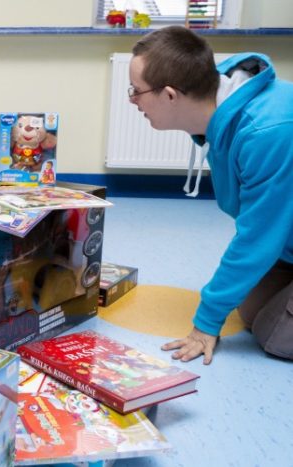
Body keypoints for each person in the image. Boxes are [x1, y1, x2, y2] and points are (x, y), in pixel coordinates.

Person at [128, 26, 293, 364]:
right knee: (251, 310)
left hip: (277, 237)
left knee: (274, 334)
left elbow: (256, 237)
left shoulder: (266, 132)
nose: (132, 100)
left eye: (136, 91)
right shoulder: (222, 107)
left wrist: (206, 323)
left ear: (170, 95)